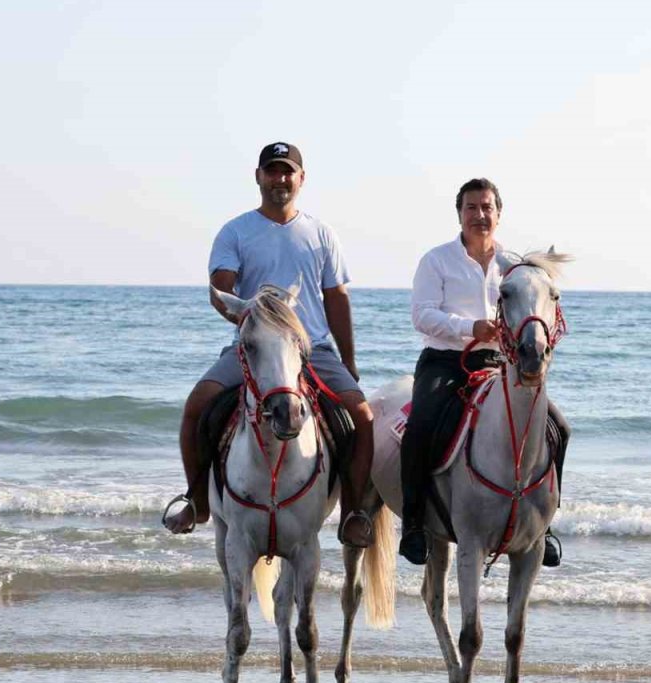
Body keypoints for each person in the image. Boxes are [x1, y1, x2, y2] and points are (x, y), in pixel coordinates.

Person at [163, 142, 375, 548]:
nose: (280, 179)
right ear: (258, 177)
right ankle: (197, 500)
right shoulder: (236, 231)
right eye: (272, 171)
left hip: (312, 348)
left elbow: (337, 298)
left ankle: (352, 513)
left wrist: (348, 360)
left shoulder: (320, 233)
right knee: (196, 406)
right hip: (255, 347)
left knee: (363, 418)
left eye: (288, 172)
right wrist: (247, 319)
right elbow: (219, 289)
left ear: (301, 178)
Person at [398, 178, 569, 567]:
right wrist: (470, 327)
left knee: (559, 428)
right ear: (459, 214)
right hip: (446, 362)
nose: (480, 215)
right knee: (421, 427)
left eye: (487, 207)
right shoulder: (436, 260)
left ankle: (545, 523)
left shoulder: (515, 268)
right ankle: (413, 524)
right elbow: (421, 315)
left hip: (500, 365)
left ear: (498, 213)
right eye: (471, 208)